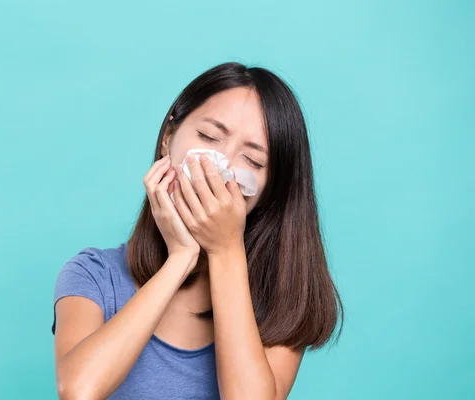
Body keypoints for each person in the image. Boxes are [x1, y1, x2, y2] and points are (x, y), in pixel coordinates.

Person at [51, 62, 343, 400]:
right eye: (208, 137)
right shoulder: (93, 275)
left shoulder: (283, 303)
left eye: (253, 161)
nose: (221, 168)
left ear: (268, 191)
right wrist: (181, 258)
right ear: (168, 138)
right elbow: (78, 390)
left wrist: (225, 249)